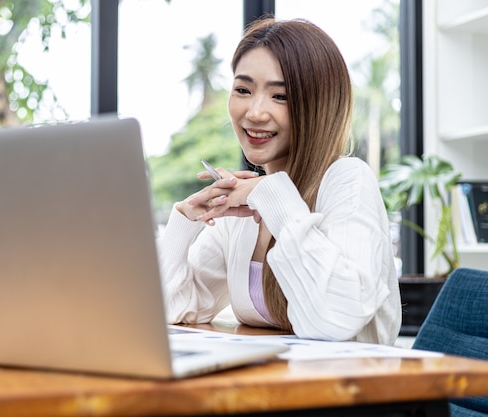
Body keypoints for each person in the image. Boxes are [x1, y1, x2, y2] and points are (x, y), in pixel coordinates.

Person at [156, 17, 401, 345]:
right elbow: (171, 311)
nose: (255, 112)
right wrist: (185, 219)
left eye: (280, 96)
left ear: (318, 105)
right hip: (276, 391)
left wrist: (271, 196)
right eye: (243, 90)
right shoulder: (245, 207)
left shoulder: (347, 181)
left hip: (356, 393)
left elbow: (335, 321)